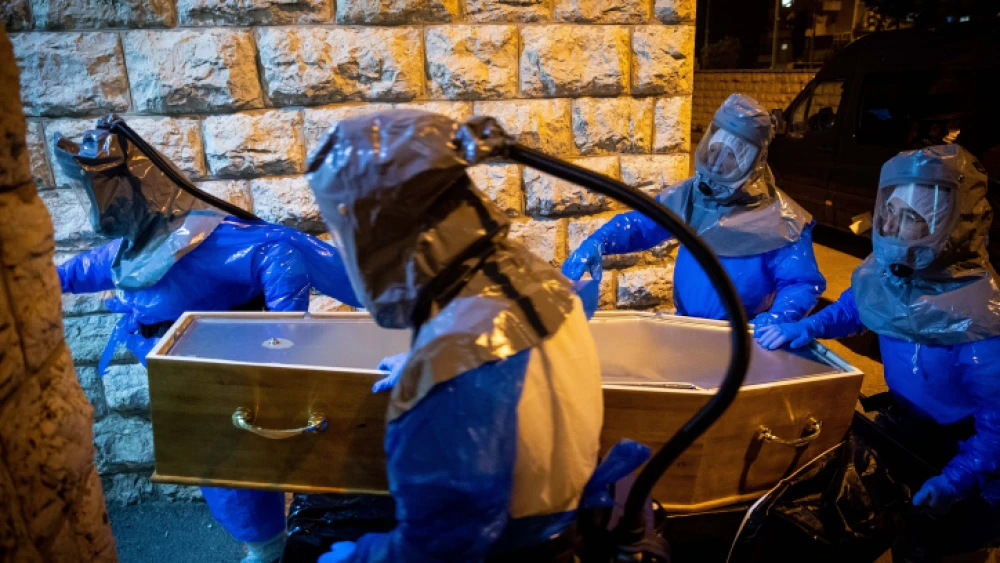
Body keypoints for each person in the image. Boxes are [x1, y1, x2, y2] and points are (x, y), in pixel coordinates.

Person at [54, 116, 362, 563]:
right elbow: (82, 271)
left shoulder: (204, 241)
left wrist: (283, 334)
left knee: (229, 456)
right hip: (182, 368)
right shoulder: (131, 249)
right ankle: (266, 542)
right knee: (219, 458)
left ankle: (267, 546)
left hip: (223, 364)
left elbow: (278, 248)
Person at [306, 110, 604, 562]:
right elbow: (524, 363)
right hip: (567, 523)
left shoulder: (451, 376)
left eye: (345, 234)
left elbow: (436, 549)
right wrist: (433, 356)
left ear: (380, 232)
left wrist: (358, 557)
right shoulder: (538, 281)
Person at [756, 145, 1000, 559]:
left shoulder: (980, 319)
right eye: (892, 213)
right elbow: (860, 306)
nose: (895, 226)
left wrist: (957, 480)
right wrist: (809, 325)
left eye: (915, 219)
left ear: (953, 228)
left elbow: (996, 424)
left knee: (944, 546)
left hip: (964, 449)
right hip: (907, 426)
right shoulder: (891, 276)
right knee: (895, 528)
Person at [562, 93, 826, 326]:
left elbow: (800, 282)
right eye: (714, 153)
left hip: (746, 336)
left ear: (753, 165)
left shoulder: (783, 220)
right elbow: (643, 224)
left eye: (730, 158)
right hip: (689, 327)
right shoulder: (690, 196)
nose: (717, 165)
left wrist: (779, 318)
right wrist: (600, 241)